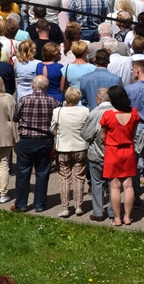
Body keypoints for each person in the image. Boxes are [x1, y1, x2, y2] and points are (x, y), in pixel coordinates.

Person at [11, 75, 59, 213]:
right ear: (47, 87)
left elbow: (15, 117)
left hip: (27, 139)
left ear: (33, 85)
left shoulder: (23, 100)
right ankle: (40, 204)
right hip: (45, 140)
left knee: (23, 173)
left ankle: (21, 204)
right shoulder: (54, 102)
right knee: (42, 173)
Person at [99, 85, 140, 226]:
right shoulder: (134, 113)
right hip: (128, 150)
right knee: (128, 186)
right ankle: (128, 217)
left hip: (112, 151)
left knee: (114, 186)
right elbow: (133, 133)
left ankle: (117, 218)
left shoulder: (108, 115)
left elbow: (103, 136)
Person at [50, 86, 89, 217]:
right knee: (79, 177)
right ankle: (78, 206)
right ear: (78, 98)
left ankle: (65, 207)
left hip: (64, 148)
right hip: (81, 147)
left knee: (64, 178)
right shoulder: (85, 111)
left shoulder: (58, 111)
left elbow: (52, 129)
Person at [0, 73, 16, 204]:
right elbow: (14, 118)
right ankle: (3, 193)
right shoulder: (8, 98)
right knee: (4, 164)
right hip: (5, 134)